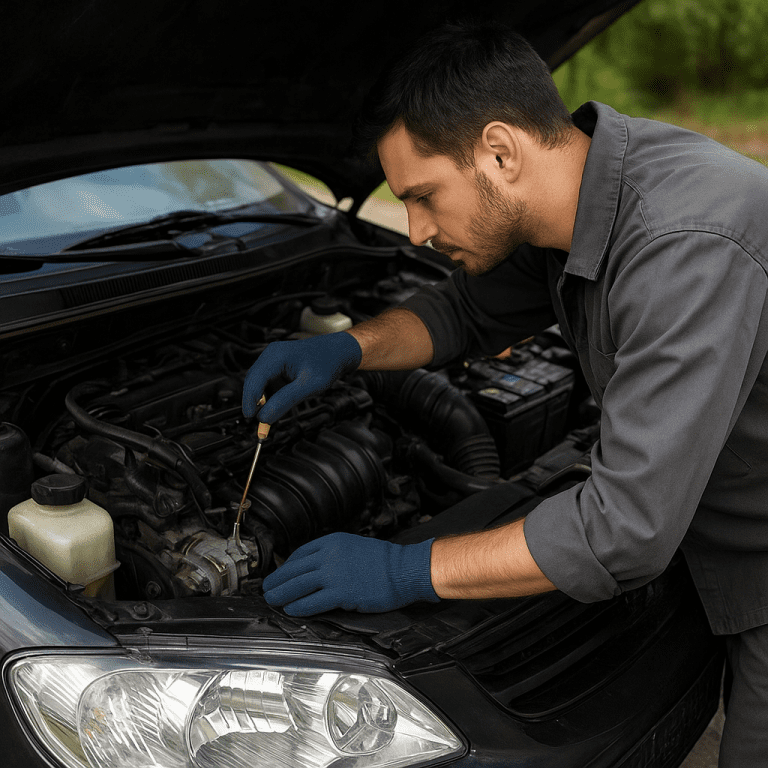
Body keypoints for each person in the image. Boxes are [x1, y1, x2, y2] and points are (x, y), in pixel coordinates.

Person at [242, 21, 768, 766]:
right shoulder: (582, 198)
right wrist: (345, 348)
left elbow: (622, 530)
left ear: (499, 150)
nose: (416, 232)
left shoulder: (684, 244)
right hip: (715, 530)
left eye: (423, 197)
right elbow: (464, 311)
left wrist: (402, 569)